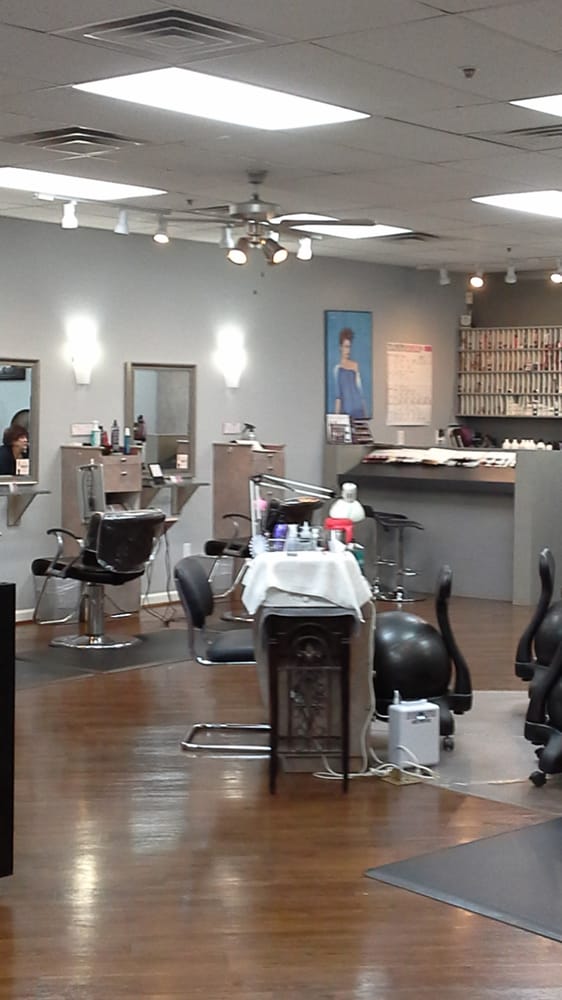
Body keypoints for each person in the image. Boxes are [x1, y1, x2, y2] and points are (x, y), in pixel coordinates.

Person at [333, 327, 367, 418]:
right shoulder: (337, 369)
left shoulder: (355, 365)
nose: (348, 350)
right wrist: (336, 419)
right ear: (340, 347)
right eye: (346, 347)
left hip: (358, 410)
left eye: (349, 347)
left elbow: (360, 392)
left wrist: (365, 416)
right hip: (346, 412)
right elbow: (338, 397)